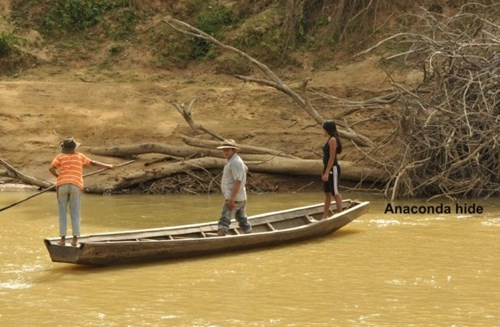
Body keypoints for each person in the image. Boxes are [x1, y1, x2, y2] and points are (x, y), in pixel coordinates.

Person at [49, 137, 114, 246]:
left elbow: (51, 168)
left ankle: (62, 240)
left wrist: (59, 177)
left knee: (62, 213)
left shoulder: (60, 157)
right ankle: (75, 240)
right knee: (75, 212)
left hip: (62, 186)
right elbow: (93, 163)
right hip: (75, 185)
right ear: (74, 148)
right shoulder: (80, 156)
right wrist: (108, 166)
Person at [216, 139, 252, 236]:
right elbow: (246, 169)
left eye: (228, 150)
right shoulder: (236, 160)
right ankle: (249, 235)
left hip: (234, 197)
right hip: (241, 196)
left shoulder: (235, 162)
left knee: (224, 220)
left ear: (233, 150)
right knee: (242, 219)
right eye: (224, 150)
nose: (225, 152)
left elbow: (238, 180)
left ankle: (219, 239)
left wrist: (232, 198)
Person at [321, 120, 343, 218]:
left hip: (332, 169)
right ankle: (325, 216)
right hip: (327, 168)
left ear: (327, 129)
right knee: (327, 193)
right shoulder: (329, 139)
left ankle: (340, 214)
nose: (323, 131)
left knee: (335, 192)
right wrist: (325, 171)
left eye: (324, 129)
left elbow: (332, 157)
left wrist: (326, 172)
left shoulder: (333, 140)